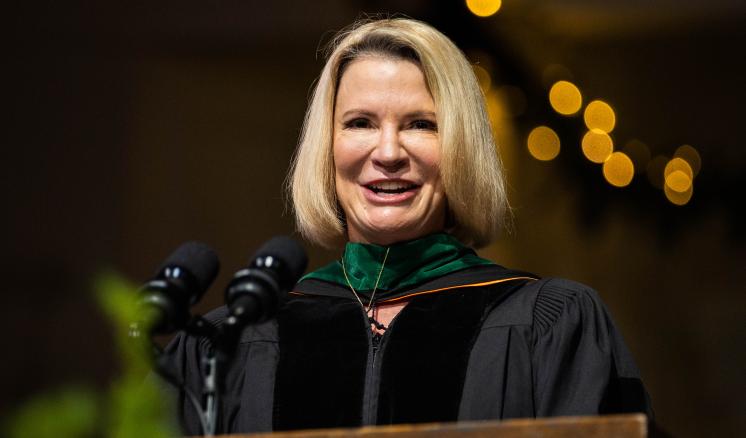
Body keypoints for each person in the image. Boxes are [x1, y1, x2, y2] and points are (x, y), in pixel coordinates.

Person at [164, 18, 652, 434]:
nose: (389, 152)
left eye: (421, 124)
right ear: (326, 147)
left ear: (460, 149)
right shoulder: (228, 345)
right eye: (360, 123)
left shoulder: (549, 325)